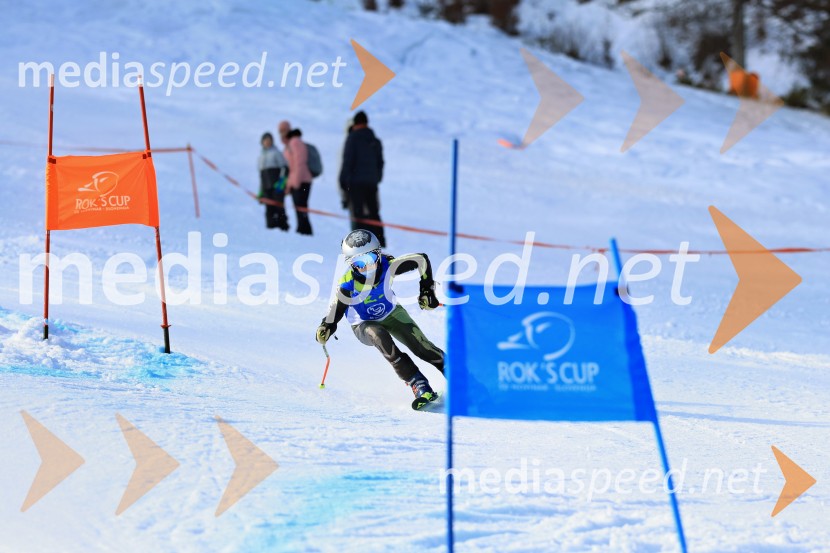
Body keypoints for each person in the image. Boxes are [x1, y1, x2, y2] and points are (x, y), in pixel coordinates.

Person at [315, 230, 443, 409]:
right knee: (379, 334)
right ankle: (418, 383)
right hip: (363, 324)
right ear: (350, 264)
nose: (366, 267)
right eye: (358, 262)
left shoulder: (389, 265)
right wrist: (326, 326)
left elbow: (421, 259)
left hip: (391, 313)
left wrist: (427, 291)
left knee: (422, 346)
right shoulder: (347, 284)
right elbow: (336, 310)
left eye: (370, 259)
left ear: (378, 254)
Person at [338, 111, 385, 247]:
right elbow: (380, 162)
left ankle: (360, 244)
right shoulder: (374, 140)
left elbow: (347, 161)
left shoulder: (353, 138)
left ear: (355, 123)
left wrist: (342, 181)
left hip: (356, 183)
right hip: (371, 182)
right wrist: (376, 178)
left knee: (358, 214)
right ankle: (380, 241)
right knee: (373, 212)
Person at [279, 121, 314, 235]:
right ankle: (302, 232)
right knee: (299, 209)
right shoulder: (288, 145)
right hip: (296, 182)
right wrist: (289, 185)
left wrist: (296, 182)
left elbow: (300, 163)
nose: (281, 133)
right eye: (280, 131)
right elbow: (290, 169)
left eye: (284, 130)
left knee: (301, 209)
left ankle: (305, 232)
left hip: (302, 181)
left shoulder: (295, 142)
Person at [257, 132, 288, 230]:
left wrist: (281, 183)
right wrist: (261, 191)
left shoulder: (276, 152)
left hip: (277, 185)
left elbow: (285, 168)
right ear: (262, 142)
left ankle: (283, 226)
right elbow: (261, 175)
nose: (267, 142)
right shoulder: (260, 156)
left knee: (279, 207)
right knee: (269, 208)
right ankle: (270, 227)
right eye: (265, 140)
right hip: (266, 186)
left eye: (269, 140)